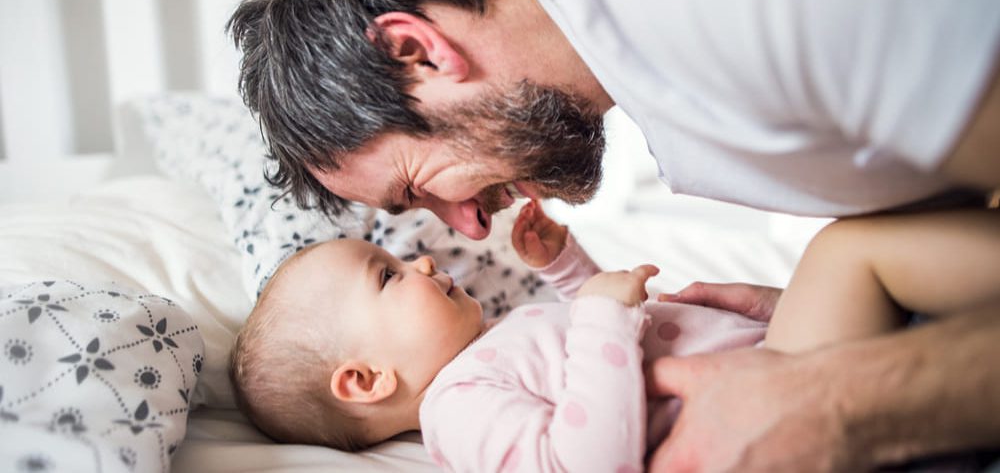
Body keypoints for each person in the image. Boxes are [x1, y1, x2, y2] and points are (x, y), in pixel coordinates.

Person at [227, 0, 1000, 468]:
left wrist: (842, 395)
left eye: (415, 186)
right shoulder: (462, 401)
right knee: (853, 253)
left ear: (416, 51)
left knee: (850, 251)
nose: (462, 228)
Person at [230, 201, 768, 470]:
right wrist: (605, 316)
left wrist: (564, 269)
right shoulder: (459, 408)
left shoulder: (487, 343)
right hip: (769, 401)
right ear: (367, 379)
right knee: (845, 249)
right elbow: (584, 460)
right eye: (388, 275)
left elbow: (582, 353)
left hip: (773, 353)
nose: (419, 261)